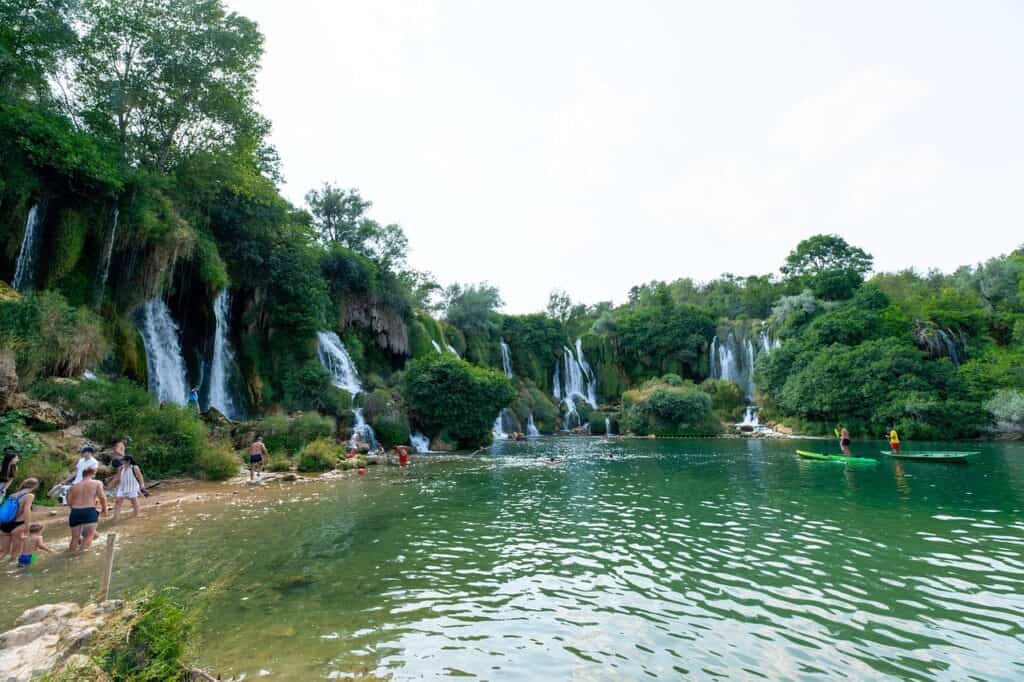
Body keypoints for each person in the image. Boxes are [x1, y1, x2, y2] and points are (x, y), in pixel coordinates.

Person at [67, 467, 106, 552]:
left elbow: (69, 503)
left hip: (75, 512)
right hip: (88, 511)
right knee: (89, 535)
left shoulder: (73, 487)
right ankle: (81, 556)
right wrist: (104, 509)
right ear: (93, 474)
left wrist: (76, 510)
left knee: (75, 538)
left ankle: (70, 554)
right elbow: (102, 497)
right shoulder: (97, 483)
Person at [1, 478, 38, 561]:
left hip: (4, 525)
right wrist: (27, 527)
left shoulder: (12, 495)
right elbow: (26, 511)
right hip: (18, 525)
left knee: (4, 552)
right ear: (34, 486)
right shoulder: (29, 496)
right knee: (16, 554)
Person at [113, 456, 146, 522]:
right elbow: (119, 477)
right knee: (117, 502)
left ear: (128, 461)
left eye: (123, 460)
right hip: (122, 487)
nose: (121, 462)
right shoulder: (121, 468)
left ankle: (137, 515)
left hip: (132, 487)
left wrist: (142, 485)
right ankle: (115, 518)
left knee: (134, 502)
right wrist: (116, 485)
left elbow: (140, 476)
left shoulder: (134, 467)